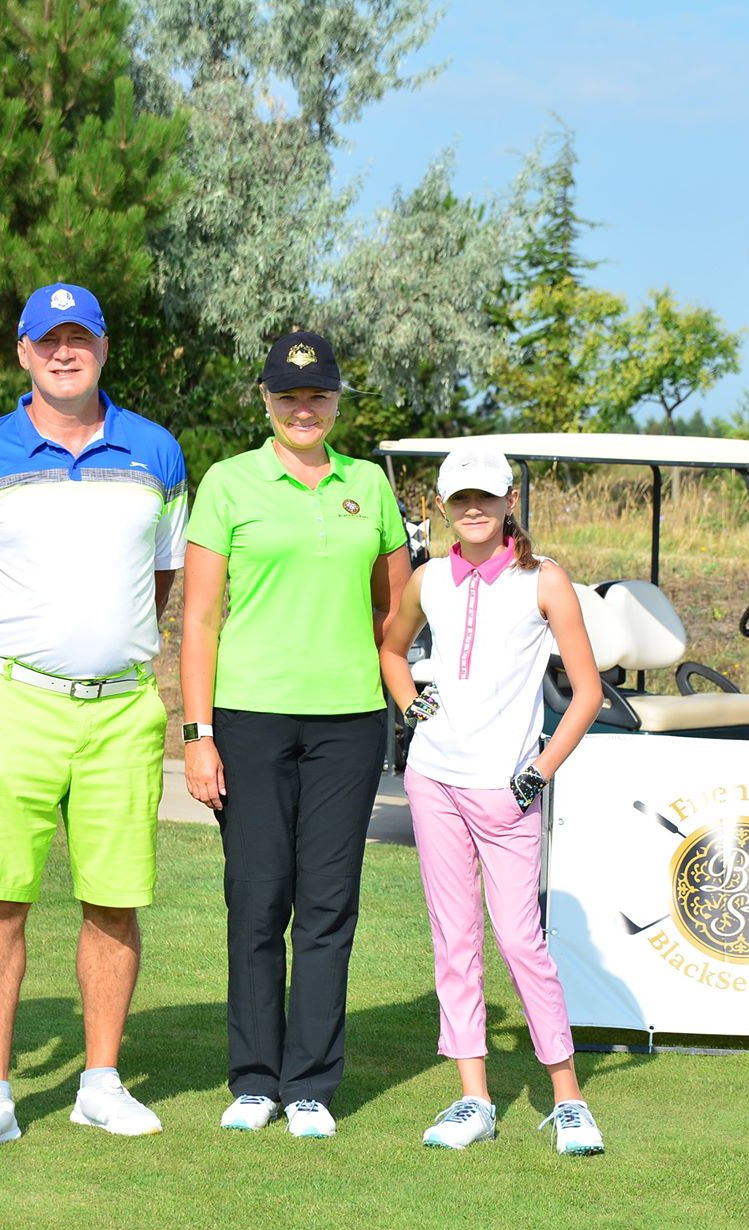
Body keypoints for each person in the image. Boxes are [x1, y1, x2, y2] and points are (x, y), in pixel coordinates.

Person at [0, 283, 187, 1153]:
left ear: (103, 348)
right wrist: (30, 641)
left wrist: (100, 644)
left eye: (79, 339)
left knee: (114, 901)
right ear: (23, 352)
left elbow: (158, 580)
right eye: (48, 341)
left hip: (122, 710)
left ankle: (100, 1085)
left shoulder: (156, 452)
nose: (64, 353)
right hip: (15, 704)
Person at [181, 330, 410, 1138]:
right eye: (288, 396)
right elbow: (199, 618)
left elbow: (395, 611)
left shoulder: (369, 485)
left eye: (317, 396)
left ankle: (309, 1082)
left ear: (337, 401)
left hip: (349, 720)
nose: (303, 409)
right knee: (257, 895)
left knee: (327, 901)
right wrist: (198, 732)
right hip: (250, 717)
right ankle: (254, 1079)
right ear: (267, 400)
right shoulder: (229, 482)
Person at [377, 446, 608, 1155]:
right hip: (435, 782)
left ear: (510, 501)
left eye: (486, 496)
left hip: (509, 790)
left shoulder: (545, 579)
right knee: (455, 941)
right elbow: (391, 649)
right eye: (460, 499)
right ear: (444, 507)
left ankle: (568, 1099)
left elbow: (587, 692)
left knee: (519, 941)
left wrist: (539, 771)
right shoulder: (429, 580)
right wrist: (412, 706)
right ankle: (473, 1098)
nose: (473, 509)